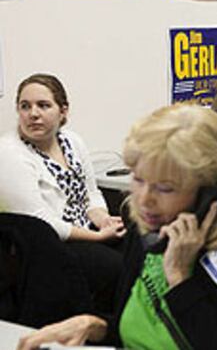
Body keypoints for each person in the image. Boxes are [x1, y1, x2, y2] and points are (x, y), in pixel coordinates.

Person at [18, 104, 217, 350]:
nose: (144, 200)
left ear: (209, 189)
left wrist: (180, 279)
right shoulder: (148, 230)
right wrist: (98, 327)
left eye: (165, 188)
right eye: (139, 179)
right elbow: (140, 332)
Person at [0, 74, 124, 311]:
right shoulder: (9, 153)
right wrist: (99, 237)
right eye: (25, 107)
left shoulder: (71, 141)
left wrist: (103, 219)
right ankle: (106, 331)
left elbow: (91, 192)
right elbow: (41, 221)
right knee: (116, 268)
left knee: (141, 248)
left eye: (43, 105)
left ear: (63, 111)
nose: (33, 114)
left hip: (87, 230)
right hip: (52, 245)